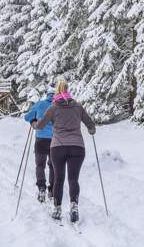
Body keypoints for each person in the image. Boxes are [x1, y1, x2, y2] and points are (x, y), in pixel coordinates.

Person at [32, 79, 95, 223]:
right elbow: (90, 124)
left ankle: (57, 209)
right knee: (73, 179)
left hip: (58, 147)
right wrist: (91, 130)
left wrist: (33, 123)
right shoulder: (78, 107)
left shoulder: (53, 108)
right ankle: (74, 206)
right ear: (68, 91)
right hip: (77, 147)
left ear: (57, 92)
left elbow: (40, 125)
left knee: (59, 179)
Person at [24, 87, 55, 202]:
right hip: (55, 140)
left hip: (41, 139)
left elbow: (27, 117)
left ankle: (41, 188)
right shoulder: (59, 106)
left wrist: (33, 120)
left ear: (47, 95)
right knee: (53, 165)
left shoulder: (40, 104)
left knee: (40, 165)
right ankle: (52, 190)